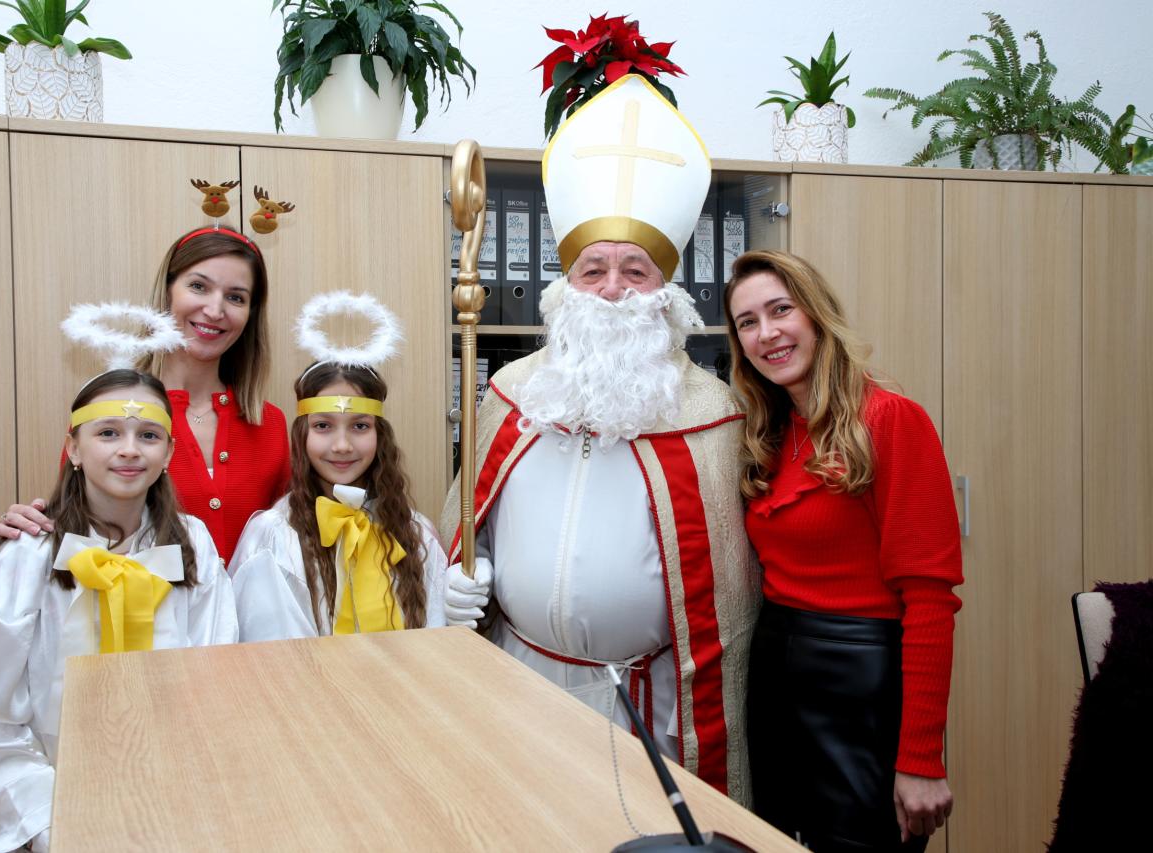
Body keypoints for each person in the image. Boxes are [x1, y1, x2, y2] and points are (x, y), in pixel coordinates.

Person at [440, 75, 759, 801]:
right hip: (517, 682)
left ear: (666, 293)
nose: (613, 287)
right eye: (594, 269)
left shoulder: (713, 414)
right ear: (566, 287)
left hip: (645, 706)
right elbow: (468, 526)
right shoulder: (512, 391)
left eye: (635, 270)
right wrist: (457, 581)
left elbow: (728, 598)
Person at [0, 369, 238, 853]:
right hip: (53, 812)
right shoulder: (27, 555)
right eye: (108, 433)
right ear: (74, 449)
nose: (129, 450)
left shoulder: (194, 547)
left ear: (169, 453)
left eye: (148, 436)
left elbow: (213, 675)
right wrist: (52, 824)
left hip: (176, 803)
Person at [724, 249, 962, 851]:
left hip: (859, 688)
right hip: (774, 677)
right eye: (748, 322)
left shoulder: (891, 420)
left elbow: (930, 600)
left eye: (781, 310)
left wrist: (921, 758)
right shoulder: (767, 434)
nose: (767, 333)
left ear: (817, 314)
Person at [0, 226, 291, 562]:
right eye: (198, 286)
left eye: (236, 297)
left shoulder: (270, 423)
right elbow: (75, 529)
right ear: (167, 291)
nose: (215, 310)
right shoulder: (108, 409)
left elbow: (291, 537)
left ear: (250, 314)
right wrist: (32, 531)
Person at [230, 293, 445, 638]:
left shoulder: (416, 535)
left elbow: (434, 636)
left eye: (359, 426)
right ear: (302, 435)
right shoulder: (273, 538)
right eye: (323, 426)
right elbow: (270, 646)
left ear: (379, 435)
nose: (342, 445)